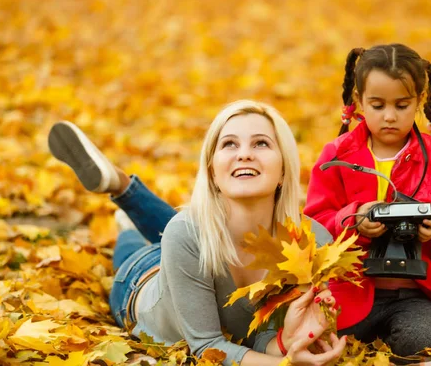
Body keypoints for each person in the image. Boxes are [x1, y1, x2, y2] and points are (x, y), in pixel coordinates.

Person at [48, 100, 347, 366]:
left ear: (284, 169)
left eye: (261, 144)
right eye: (229, 144)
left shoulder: (313, 243)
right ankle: (126, 221)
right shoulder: (185, 233)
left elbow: (264, 338)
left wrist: (287, 345)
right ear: (212, 171)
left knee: (188, 228)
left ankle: (125, 196)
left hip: (189, 248)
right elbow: (206, 347)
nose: (244, 154)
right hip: (141, 281)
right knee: (160, 238)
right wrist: (287, 364)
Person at [303, 44, 431, 356]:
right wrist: (354, 219)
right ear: (359, 101)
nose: (389, 117)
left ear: (418, 101)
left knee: (422, 341)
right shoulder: (336, 156)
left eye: (402, 106)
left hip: (419, 293)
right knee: (315, 337)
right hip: (349, 289)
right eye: (377, 105)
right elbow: (315, 223)